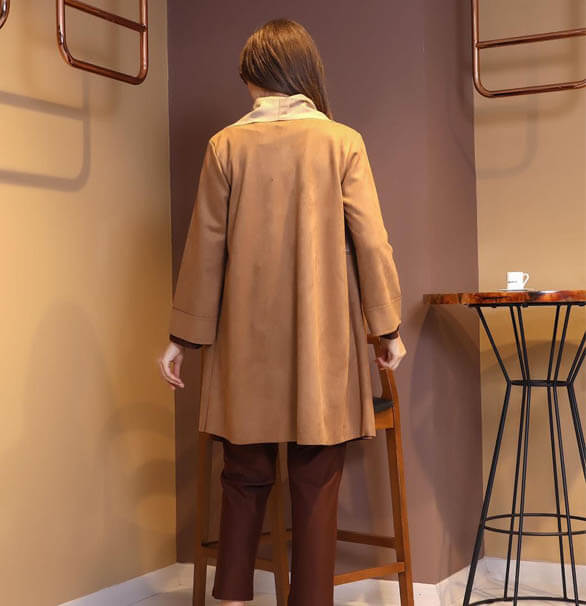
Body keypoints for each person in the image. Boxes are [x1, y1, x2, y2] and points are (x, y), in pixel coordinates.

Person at [159, 17, 407, 606]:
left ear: (258, 77)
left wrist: (181, 339)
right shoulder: (342, 142)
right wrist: (387, 330)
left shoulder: (225, 146)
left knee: (242, 479)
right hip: (322, 349)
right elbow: (372, 243)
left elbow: (204, 250)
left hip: (243, 350)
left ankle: (232, 599)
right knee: (317, 484)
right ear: (304, 74)